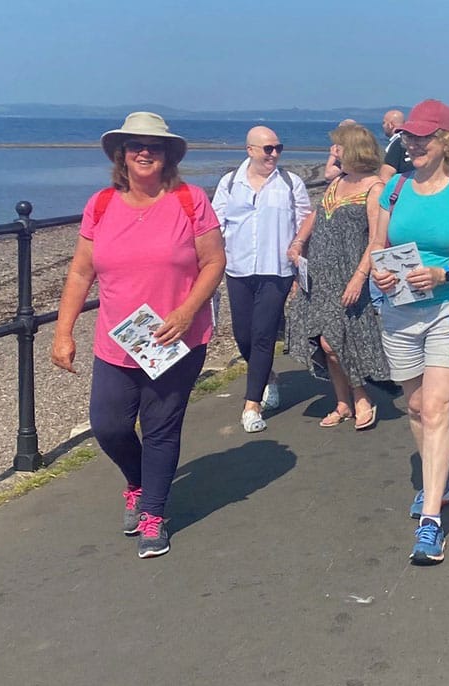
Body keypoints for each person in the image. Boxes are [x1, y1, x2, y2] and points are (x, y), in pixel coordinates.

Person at [50, 112, 225, 559]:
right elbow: (79, 271)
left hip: (176, 339)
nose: (144, 152)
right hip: (117, 340)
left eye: (154, 146)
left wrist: (187, 312)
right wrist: (63, 332)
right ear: (121, 156)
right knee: (109, 426)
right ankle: (137, 481)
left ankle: (153, 514)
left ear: (167, 156)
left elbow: (214, 262)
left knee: (162, 427)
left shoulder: (190, 200)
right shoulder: (102, 205)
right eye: (135, 146)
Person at [368, 99, 449, 565]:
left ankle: (430, 522)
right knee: (418, 407)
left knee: (438, 406)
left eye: (423, 137)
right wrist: (379, 274)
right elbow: (379, 248)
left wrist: (444, 275)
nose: (413, 143)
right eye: (409, 136)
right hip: (400, 311)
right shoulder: (395, 190)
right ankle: (437, 485)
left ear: (446, 141)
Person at [286, 123, 389, 431]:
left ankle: (360, 397)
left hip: (348, 273)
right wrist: (298, 243)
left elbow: (376, 239)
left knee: (342, 341)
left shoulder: (374, 188)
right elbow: (316, 214)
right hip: (320, 274)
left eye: (339, 147)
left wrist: (360, 277)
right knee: (324, 339)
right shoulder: (338, 182)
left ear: (353, 149)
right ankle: (343, 402)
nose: (334, 152)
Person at [212, 126, 312, 433]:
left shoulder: (290, 183)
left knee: (264, 333)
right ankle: (267, 376)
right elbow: (215, 224)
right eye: (268, 149)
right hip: (238, 268)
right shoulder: (230, 183)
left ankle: (251, 405)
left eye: (278, 148)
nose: (274, 154)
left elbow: (306, 219)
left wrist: (298, 256)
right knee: (243, 335)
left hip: (276, 270)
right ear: (251, 150)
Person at [379, 108, 411, 181]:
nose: (383, 126)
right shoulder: (413, 141)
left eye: (384, 123)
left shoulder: (396, 143)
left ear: (390, 125)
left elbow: (386, 175)